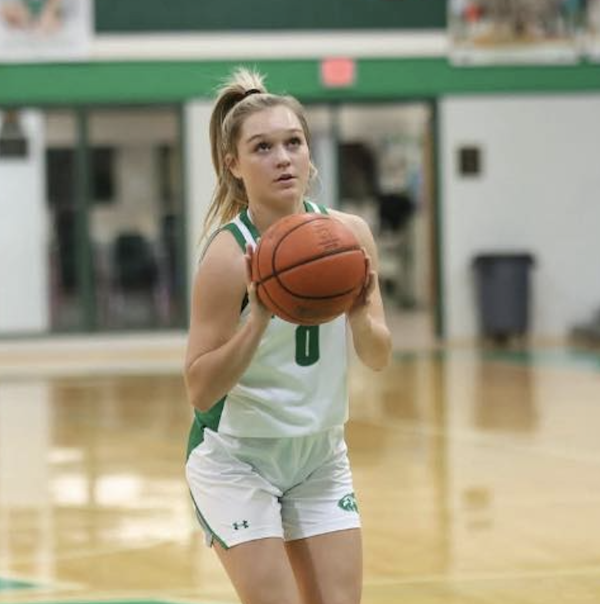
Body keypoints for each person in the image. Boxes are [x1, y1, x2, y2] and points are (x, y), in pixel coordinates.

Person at [184, 68, 392, 604]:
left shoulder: (350, 237)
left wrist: (360, 315)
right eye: (262, 147)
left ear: (309, 152)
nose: (282, 158)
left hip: (320, 454)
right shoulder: (228, 257)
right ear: (233, 164)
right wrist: (258, 320)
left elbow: (377, 356)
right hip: (237, 457)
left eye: (293, 142)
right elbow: (201, 389)